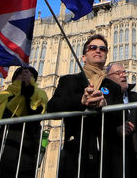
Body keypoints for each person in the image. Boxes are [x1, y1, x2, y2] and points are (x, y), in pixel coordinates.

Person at [47, 34, 122, 178]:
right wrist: (80, 101)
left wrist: (105, 105)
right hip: (75, 152)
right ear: (83, 57)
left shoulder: (113, 87)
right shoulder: (68, 81)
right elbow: (52, 107)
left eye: (103, 48)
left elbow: (121, 116)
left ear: (106, 56)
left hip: (105, 153)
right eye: (93, 47)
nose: (98, 50)